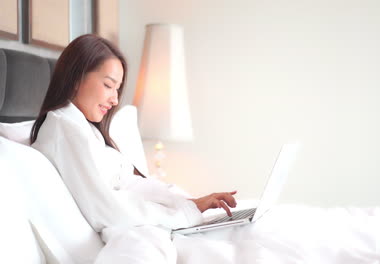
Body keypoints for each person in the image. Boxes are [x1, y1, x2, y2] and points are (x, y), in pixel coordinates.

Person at [30, 34, 237, 263]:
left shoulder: (87, 130)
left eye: (117, 89)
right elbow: (105, 208)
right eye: (108, 85)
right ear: (76, 77)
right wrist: (182, 213)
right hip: (128, 238)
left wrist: (188, 203)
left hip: (138, 228)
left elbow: (129, 181)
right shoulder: (64, 128)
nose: (115, 99)